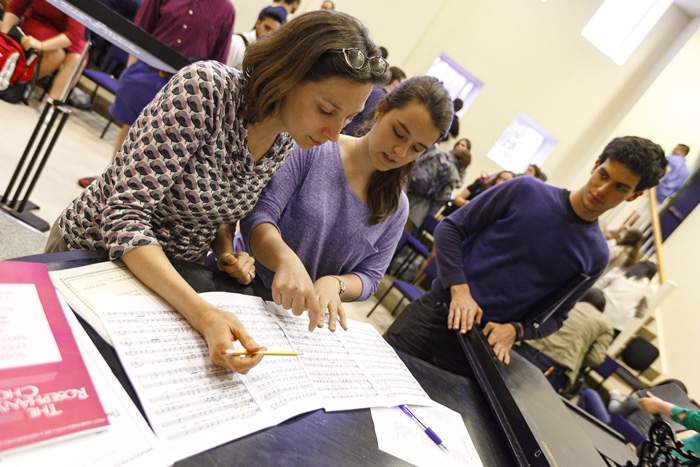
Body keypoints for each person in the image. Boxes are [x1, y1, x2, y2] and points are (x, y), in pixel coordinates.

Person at [44, 10, 389, 374]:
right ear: (288, 76)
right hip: (89, 259)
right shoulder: (207, 89)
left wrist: (225, 250)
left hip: (167, 282)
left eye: (348, 118)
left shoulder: (285, 138)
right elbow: (124, 217)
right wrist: (202, 313)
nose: (335, 133)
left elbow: (218, 207)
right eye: (326, 110)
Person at [384, 136, 668, 373]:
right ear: (595, 165)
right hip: (433, 315)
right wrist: (459, 291)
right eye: (603, 175)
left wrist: (516, 331)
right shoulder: (525, 190)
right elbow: (451, 229)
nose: (602, 189)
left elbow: (555, 318)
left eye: (619, 187)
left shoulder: (595, 255)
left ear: (633, 196)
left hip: (478, 350)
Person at [222, 77, 453, 331]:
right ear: (380, 109)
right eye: (398, 132)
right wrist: (284, 260)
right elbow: (258, 217)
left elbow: (370, 277)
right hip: (242, 289)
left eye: (417, 148)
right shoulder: (313, 147)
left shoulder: (397, 207)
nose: (401, 152)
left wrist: (336, 283)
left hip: (298, 321)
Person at [108, 0, 236, 160]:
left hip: (186, 91)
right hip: (146, 75)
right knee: (130, 131)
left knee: (162, 147)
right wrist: (131, 70)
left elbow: (218, 61)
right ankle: (112, 180)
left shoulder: (225, 10)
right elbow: (140, 30)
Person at [515, 288, 613, 393]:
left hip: (528, 348)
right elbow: (595, 358)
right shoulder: (605, 325)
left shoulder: (566, 305)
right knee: (530, 400)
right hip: (557, 365)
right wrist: (575, 358)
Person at [1, 0, 87, 103]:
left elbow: (75, 34)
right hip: (39, 21)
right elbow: (15, 9)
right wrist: (5, 39)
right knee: (57, 55)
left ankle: (51, 103)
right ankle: (21, 82)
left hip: (68, 31)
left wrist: (42, 46)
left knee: (78, 59)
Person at [404, 145, 471, 233]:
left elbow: (418, 161)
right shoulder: (454, 174)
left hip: (408, 186)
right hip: (421, 203)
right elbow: (443, 198)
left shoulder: (439, 152)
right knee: (403, 231)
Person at [342, 65, 406, 136]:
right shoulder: (380, 94)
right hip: (354, 133)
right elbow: (369, 117)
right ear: (396, 82)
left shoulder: (377, 90)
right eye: (401, 83)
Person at [593, 261, 658, 332]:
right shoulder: (648, 287)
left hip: (598, 311)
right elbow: (642, 312)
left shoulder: (619, 271)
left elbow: (597, 286)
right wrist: (634, 313)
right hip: (618, 323)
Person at [450, 170, 515, 208]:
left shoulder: (504, 201)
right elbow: (458, 198)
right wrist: (466, 203)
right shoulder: (481, 185)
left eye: (505, 180)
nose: (500, 181)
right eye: (500, 178)